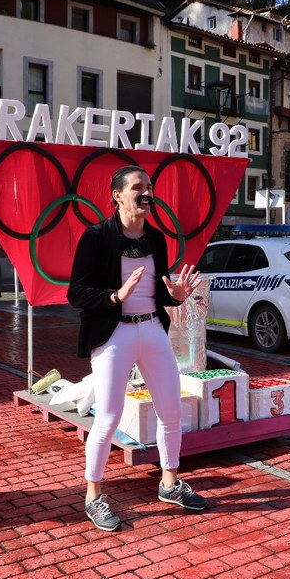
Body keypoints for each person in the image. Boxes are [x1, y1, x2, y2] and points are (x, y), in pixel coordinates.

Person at [68, 165, 207, 531]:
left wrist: (174, 297)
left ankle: (170, 483)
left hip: (152, 331)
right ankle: (93, 496)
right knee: (109, 417)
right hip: (114, 334)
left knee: (171, 410)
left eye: (149, 188)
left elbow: (160, 292)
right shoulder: (96, 237)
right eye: (138, 188)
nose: (146, 194)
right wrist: (115, 295)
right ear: (117, 194)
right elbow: (76, 293)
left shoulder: (156, 239)